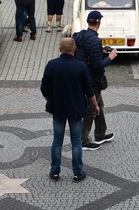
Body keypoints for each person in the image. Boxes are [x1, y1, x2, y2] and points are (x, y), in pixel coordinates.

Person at [40, 37, 99, 183]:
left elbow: (44, 87)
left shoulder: (52, 65)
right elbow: (88, 90)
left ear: (60, 49)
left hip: (58, 108)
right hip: (76, 109)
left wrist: (49, 99)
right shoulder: (81, 66)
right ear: (74, 49)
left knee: (57, 140)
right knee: (76, 140)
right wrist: (95, 105)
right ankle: (78, 172)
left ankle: (55, 172)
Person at [73, 11, 117, 150]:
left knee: (99, 105)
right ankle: (83, 140)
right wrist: (110, 57)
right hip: (92, 80)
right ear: (99, 22)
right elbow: (97, 65)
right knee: (91, 109)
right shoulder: (95, 40)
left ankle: (100, 134)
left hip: (81, 76)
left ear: (88, 22)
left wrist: (99, 50)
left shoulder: (79, 36)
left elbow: (85, 53)